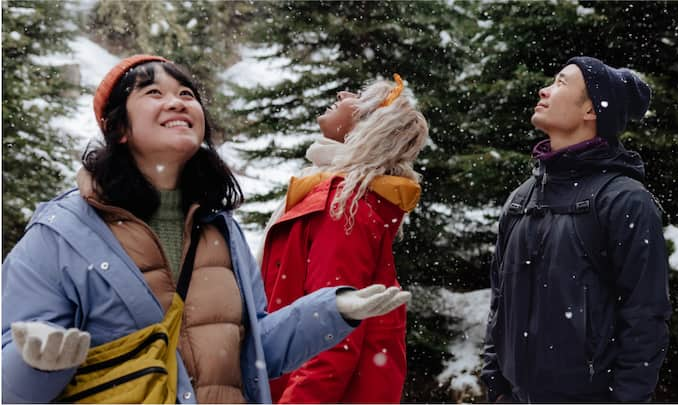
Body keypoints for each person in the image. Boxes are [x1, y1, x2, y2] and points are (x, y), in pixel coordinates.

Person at [1, 55, 410, 404]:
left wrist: (331, 311)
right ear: (118, 129)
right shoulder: (61, 234)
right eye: (153, 93)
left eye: (186, 94)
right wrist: (34, 364)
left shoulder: (219, 228)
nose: (177, 102)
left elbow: (252, 348)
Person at [480, 56, 672, 402]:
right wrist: (496, 386)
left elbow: (645, 317)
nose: (544, 89)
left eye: (561, 83)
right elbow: (499, 301)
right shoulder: (521, 199)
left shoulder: (625, 200)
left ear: (591, 111)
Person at [260, 74, 428, 403]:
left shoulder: (344, 207)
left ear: (366, 129)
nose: (343, 92)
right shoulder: (335, 195)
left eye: (360, 96)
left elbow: (333, 335)